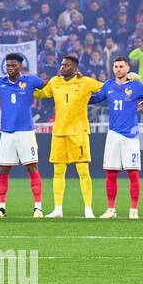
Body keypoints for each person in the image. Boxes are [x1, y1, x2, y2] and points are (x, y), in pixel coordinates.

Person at [33, 55, 104, 218]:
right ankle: (57, 209)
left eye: (66, 65)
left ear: (75, 68)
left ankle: (88, 210)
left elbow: (106, 89)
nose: (62, 67)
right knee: (58, 172)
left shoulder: (86, 82)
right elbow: (41, 94)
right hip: (58, 133)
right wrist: (24, 85)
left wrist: (128, 81)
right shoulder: (54, 82)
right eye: (62, 64)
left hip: (78, 132)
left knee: (83, 172)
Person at [92, 57, 143, 219]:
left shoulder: (136, 85)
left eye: (121, 66)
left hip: (131, 134)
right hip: (113, 133)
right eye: (115, 66)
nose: (118, 69)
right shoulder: (108, 85)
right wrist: (79, 93)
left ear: (128, 68)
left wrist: (142, 106)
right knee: (111, 173)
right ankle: (111, 209)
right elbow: (95, 99)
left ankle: (133, 209)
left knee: (133, 172)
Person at [0, 53, 46, 218]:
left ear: (20, 66)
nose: (10, 69)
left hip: (25, 132)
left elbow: (49, 84)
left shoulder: (30, 81)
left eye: (13, 66)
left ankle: (38, 208)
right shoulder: (0, 82)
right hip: (6, 132)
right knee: (3, 169)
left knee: (31, 167)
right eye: (8, 66)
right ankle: (0, 208)